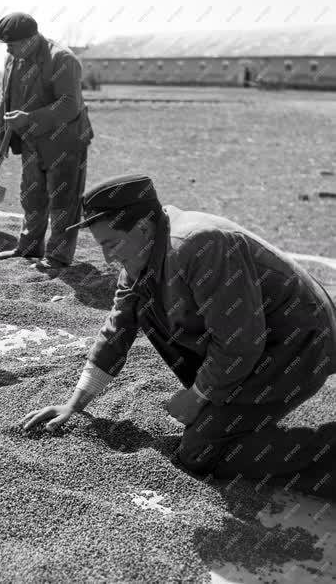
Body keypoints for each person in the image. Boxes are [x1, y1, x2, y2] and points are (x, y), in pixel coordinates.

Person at [21, 175, 336, 499]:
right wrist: (75, 404)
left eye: (110, 244)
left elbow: (241, 342)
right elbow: (118, 327)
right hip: (259, 340)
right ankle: (226, 404)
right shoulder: (143, 254)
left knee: (200, 452)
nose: (107, 258)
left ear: (143, 227)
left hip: (300, 341)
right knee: (145, 306)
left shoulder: (199, 245)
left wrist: (198, 395)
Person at [0, 12, 93, 271]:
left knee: (63, 199)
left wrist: (30, 117)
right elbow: (6, 99)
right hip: (32, 139)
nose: (9, 50)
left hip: (66, 140)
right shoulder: (13, 59)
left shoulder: (62, 59)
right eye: (6, 45)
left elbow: (70, 105)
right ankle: (29, 247)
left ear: (32, 39)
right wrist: (0, 135)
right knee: (31, 195)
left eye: (12, 44)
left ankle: (58, 256)